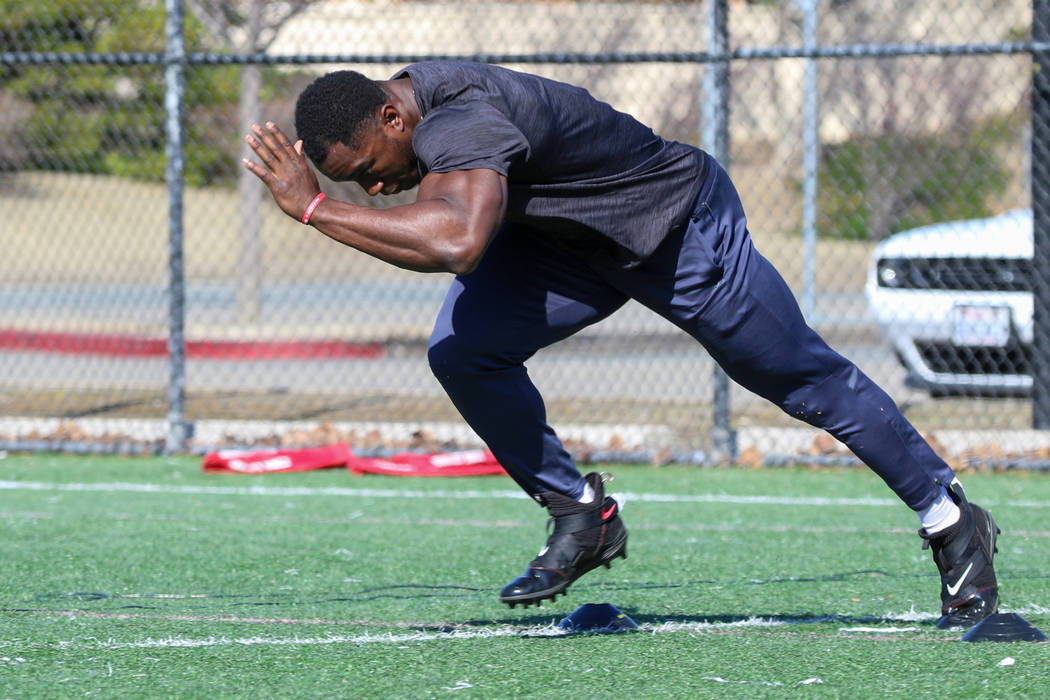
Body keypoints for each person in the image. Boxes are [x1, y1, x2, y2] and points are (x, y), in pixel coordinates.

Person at [242, 61, 1000, 627]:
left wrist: (313, 207)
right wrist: (330, 199)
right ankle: (581, 513)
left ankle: (950, 517)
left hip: (671, 229)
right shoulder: (416, 124)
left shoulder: (460, 120)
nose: (374, 191)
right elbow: (456, 228)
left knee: (798, 378)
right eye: (351, 185)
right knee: (463, 349)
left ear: (392, 117)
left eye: (369, 172)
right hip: (567, 246)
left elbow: (459, 240)